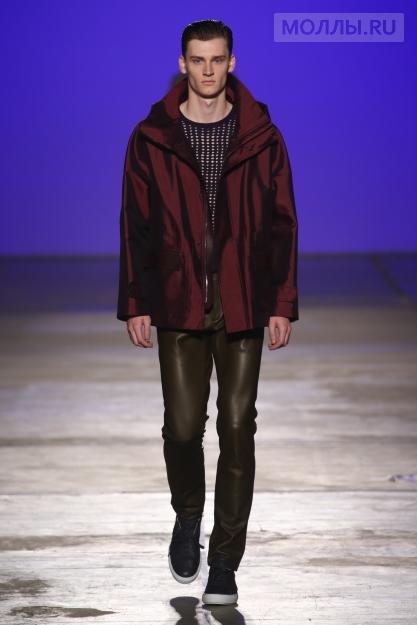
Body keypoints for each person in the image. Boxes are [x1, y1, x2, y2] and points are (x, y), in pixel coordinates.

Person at [117, 19, 298, 605]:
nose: (208, 70)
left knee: (238, 425)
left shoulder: (262, 136)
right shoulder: (152, 137)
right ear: (183, 64)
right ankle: (188, 515)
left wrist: (282, 303)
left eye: (217, 60)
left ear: (232, 63)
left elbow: (283, 223)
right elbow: (134, 224)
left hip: (244, 294)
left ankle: (224, 561)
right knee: (181, 426)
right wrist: (136, 302)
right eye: (197, 60)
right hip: (176, 295)